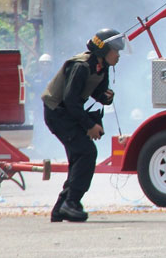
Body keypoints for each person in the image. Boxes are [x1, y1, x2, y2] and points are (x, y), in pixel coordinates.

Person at [41, 28, 127, 222]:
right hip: (58, 113)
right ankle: (71, 202)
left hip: (68, 113)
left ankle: (62, 207)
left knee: (79, 156)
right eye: (116, 50)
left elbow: (94, 91)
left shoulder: (101, 67)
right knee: (86, 152)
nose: (119, 55)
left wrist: (105, 97)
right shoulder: (81, 66)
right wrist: (89, 126)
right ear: (104, 50)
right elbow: (71, 100)